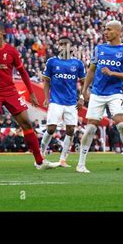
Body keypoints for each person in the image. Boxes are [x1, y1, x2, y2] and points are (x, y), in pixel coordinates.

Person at [0, 22, 59, 171]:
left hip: (10, 91)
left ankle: (39, 161)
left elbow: (23, 73)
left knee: (26, 123)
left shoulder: (11, 51)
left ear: (3, 34)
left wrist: (31, 93)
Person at [78, 20, 123, 173]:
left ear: (118, 32)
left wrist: (112, 73)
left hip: (115, 93)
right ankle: (81, 164)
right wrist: (84, 90)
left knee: (121, 125)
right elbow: (91, 71)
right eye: (105, 29)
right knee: (90, 127)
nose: (105, 32)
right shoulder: (99, 49)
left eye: (109, 29)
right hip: (97, 93)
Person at [40, 35, 86, 167]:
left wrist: (81, 98)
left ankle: (63, 159)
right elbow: (46, 82)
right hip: (56, 101)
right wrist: (46, 99)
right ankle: (41, 154)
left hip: (71, 103)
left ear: (71, 47)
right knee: (51, 128)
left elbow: (84, 83)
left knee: (71, 130)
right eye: (60, 44)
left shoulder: (77, 64)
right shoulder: (52, 62)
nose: (62, 46)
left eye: (65, 44)